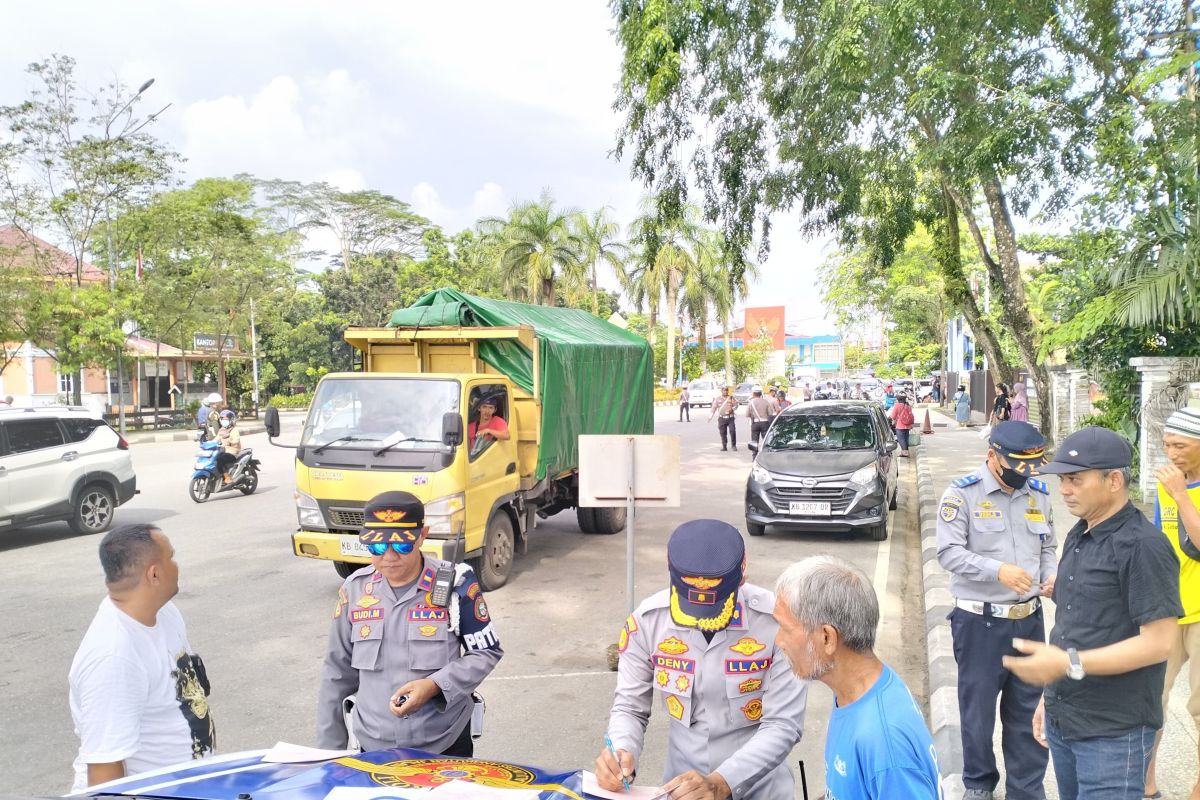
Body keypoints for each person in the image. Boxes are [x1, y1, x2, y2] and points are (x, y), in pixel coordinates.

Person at [1004, 427, 1182, 800]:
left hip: (1114, 732)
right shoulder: (1080, 534)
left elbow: (1160, 643)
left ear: (1114, 479)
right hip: (1066, 718)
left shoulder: (1143, 546)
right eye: (1063, 480)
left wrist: (1068, 663)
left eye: (1075, 480)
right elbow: (1072, 625)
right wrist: (1048, 698)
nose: (1065, 489)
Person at [597, 520, 807, 799]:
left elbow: (783, 724)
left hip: (760, 789)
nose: (702, 620)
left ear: (743, 573)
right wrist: (621, 753)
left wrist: (721, 782)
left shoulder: (778, 623)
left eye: (716, 604)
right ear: (669, 569)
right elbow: (630, 708)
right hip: (682, 791)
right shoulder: (648, 622)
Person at [318, 491, 502, 755]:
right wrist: (329, 754)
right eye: (378, 547)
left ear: (422, 535)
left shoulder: (456, 584)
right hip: (373, 745)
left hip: (444, 743)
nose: (390, 556)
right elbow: (337, 672)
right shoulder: (355, 590)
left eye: (403, 545)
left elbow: (486, 651)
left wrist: (434, 685)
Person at [937, 421, 1057, 800]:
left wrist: (1052, 576)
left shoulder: (1037, 494)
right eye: (1015, 469)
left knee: (1027, 712)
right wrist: (998, 570)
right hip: (980, 623)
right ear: (993, 456)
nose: (1023, 477)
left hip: (1030, 621)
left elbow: (1048, 547)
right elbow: (949, 552)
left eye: (1030, 470)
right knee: (978, 713)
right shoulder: (962, 495)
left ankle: (1025, 790)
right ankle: (978, 784)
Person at [773, 555, 941, 799]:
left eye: (786, 629)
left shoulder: (884, 742)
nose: (779, 641)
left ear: (827, 638)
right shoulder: (858, 691)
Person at [69, 524, 216, 793]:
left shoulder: (165, 613)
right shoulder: (113, 657)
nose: (177, 565)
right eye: (171, 557)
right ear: (155, 574)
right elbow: (105, 776)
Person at [1145, 406, 1200, 800]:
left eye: (1179, 445)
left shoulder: (1177, 488)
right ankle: (1146, 784)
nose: (1171, 454)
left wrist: (1181, 495)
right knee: (1149, 701)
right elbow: (1159, 541)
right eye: (1166, 445)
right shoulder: (1167, 484)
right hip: (1166, 610)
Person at [214, 410, 241, 484]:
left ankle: (227, 477)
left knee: (220, 460)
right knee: (213, 459)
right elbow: (216, 439)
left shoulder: (234, 430)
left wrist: (228, 442)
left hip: (232, 452)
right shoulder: (221, 430)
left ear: (231, 420)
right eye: (222, 419)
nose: (223, 421)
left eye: (226, 420)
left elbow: (236, 440)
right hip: (223, 451)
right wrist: (207, 444)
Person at [709, 387, 738, 451]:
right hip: (722, 418)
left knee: (732, 431)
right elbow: (714, 408)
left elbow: (736, 405)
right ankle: (724, 446)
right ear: (721, 391)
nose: (725, 392)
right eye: (724, 390)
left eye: (726, 390)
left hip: (730, 418)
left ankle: (733, 446)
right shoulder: (717, 399)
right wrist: (710, 416)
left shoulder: (731, 398)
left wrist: (732, 409)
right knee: (723, 433)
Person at [888, 393, 917, 457]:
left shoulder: (897, 405)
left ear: (898, 399)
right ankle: (904, 451)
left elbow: (893, 416)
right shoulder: (908, 405)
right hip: (908, 425)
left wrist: (889, 419)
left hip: (900, 425)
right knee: (906, 438)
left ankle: (905, 452)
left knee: (901, 439)